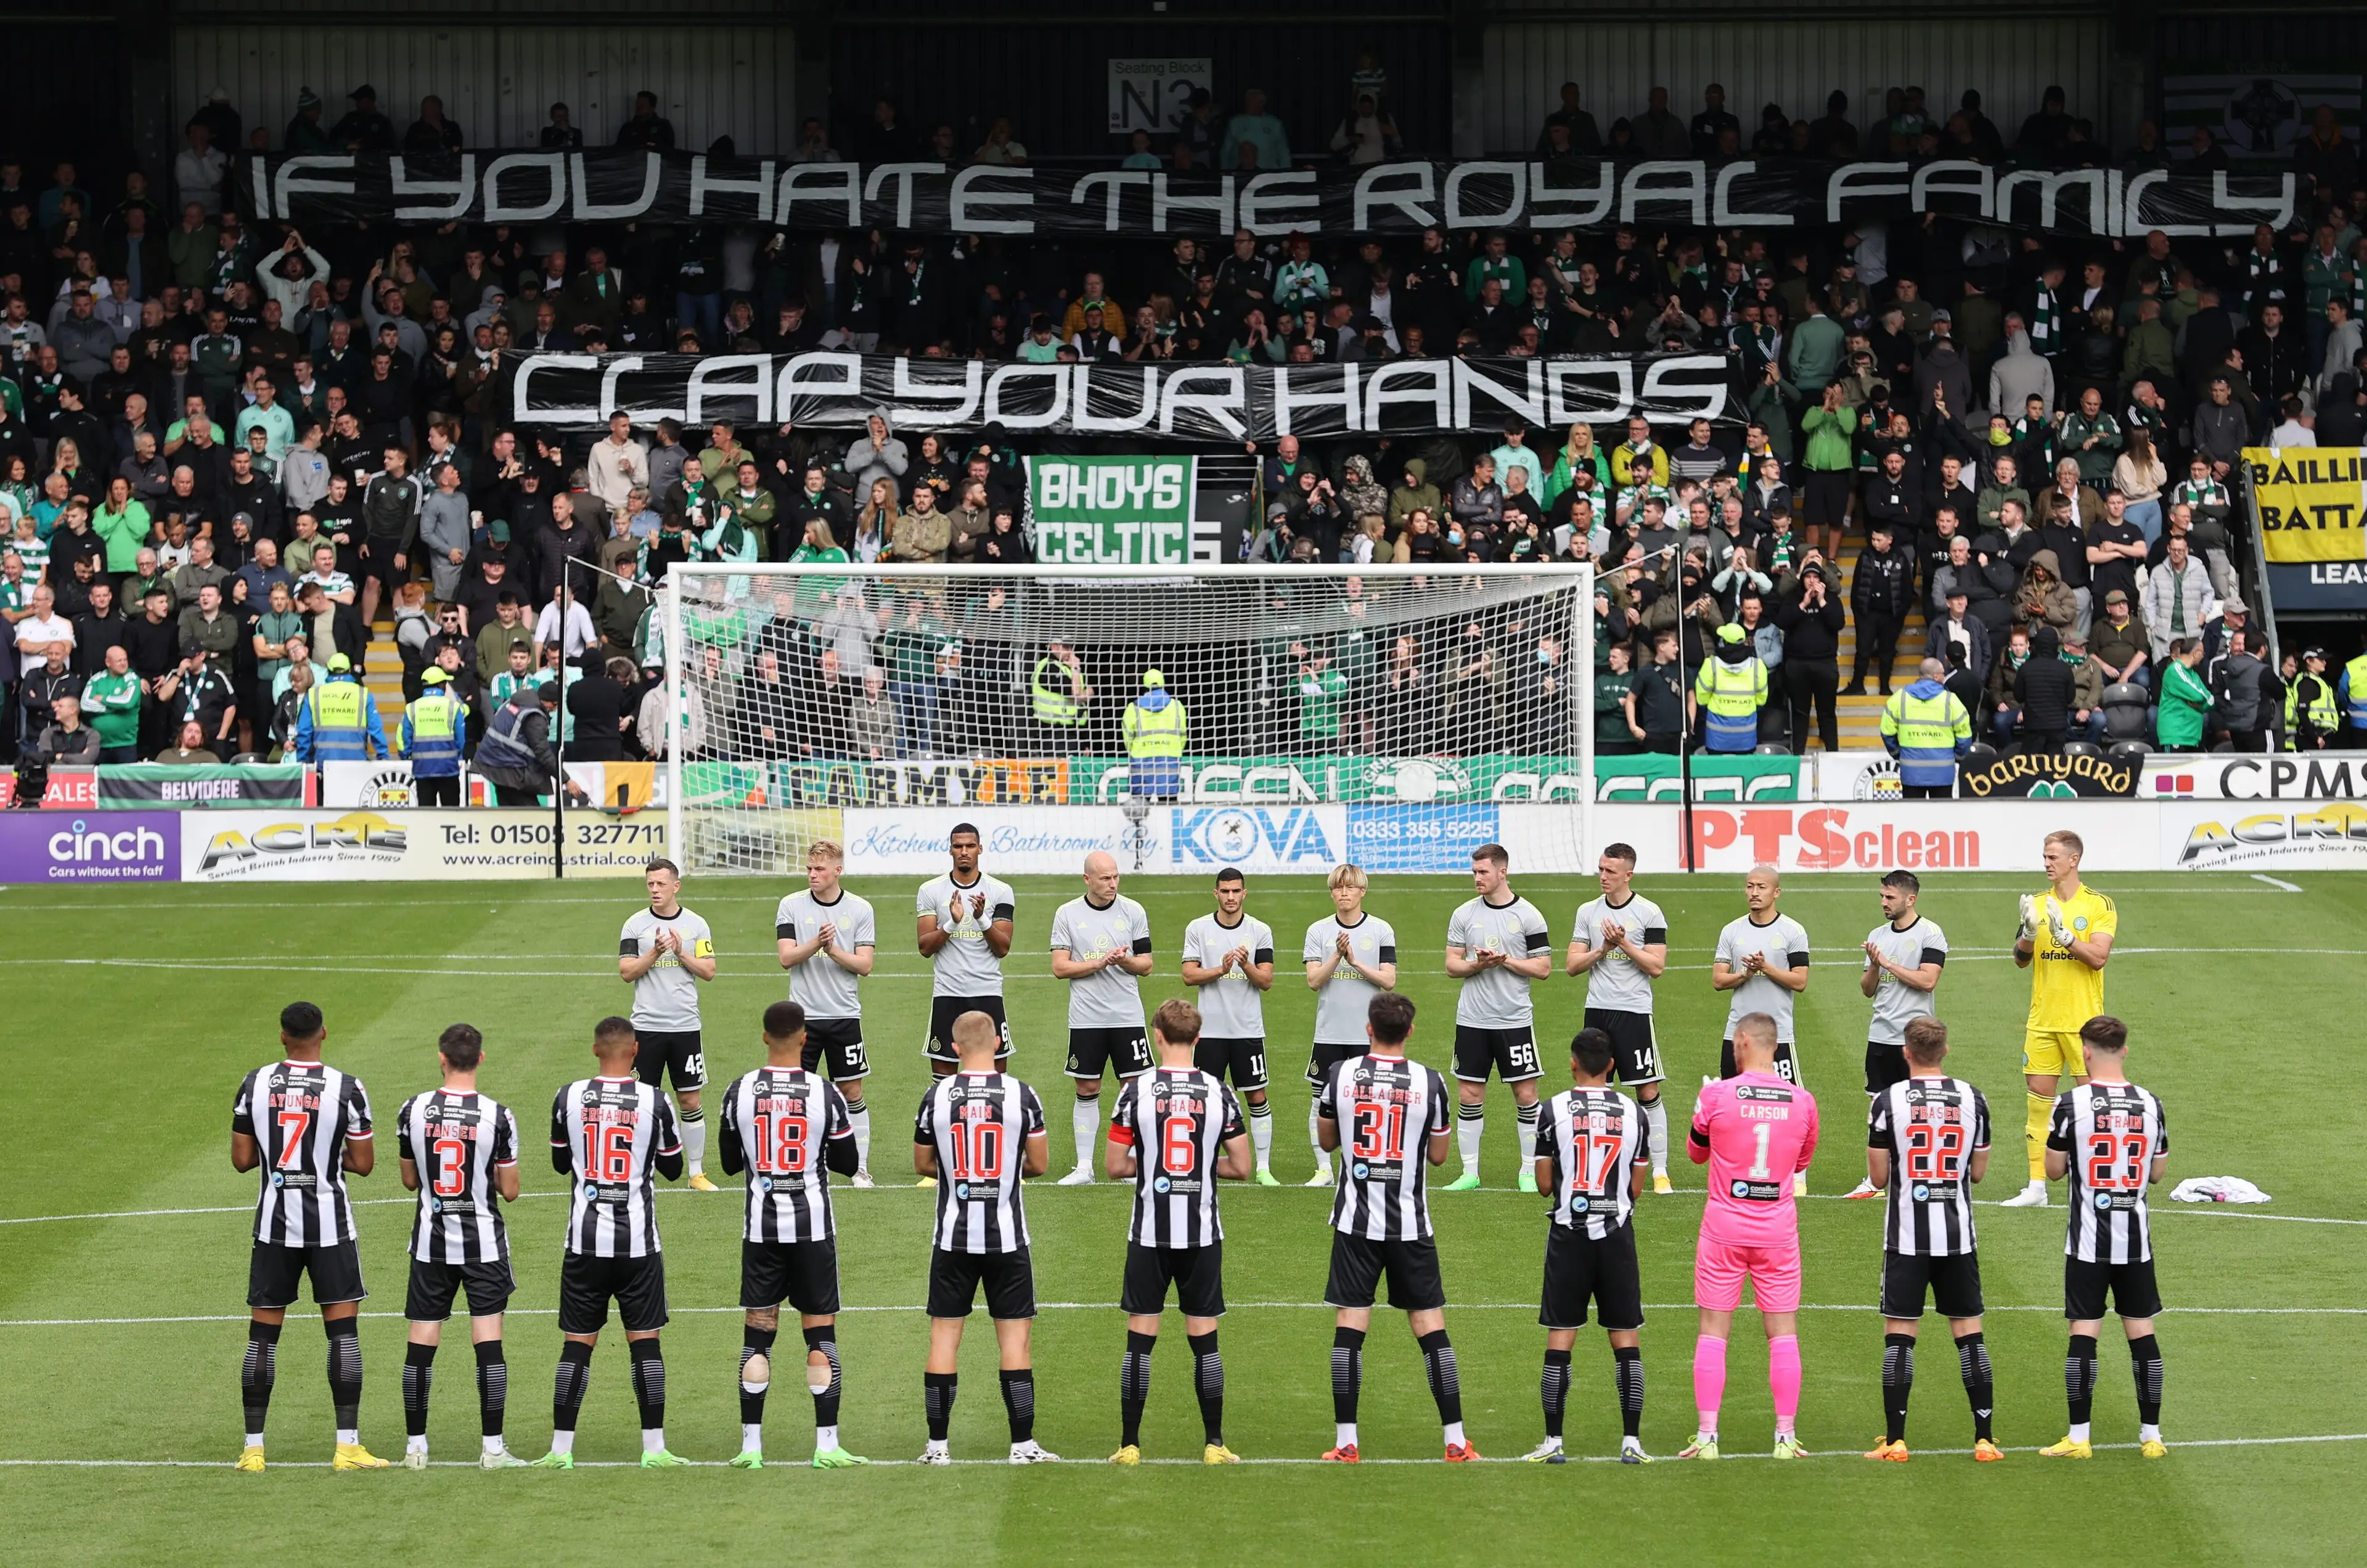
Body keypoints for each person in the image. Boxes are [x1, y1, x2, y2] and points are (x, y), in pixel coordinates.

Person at [230, 1000, 382, 1471]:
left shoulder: (254, 1084)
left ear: (282, 1037)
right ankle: (347, 1447)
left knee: (262, 1337)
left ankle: (253, 1449)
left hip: (274, 1226)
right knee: (343, 1335)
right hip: (330, 1227)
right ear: (324, 1033)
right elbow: (364, 1163)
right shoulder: (347, 1088)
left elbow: (241, 1159)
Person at [1315, 994, 1468, 1463]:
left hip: (1354, 1222)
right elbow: (1440, 1157)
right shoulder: (1432, 1082)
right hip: (1410, 1224)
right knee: (1430, 1327)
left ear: (1368, 1029)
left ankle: (1346, 1443)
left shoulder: (1340, 1075)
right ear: (1410, 1032)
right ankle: (1456, 1442)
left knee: (1350, 1326)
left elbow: (1326, 1139)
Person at [716, 999, 866, 1471]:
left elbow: (726, 1162)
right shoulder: (824, 1093)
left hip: (761, 1232)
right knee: (820, 1337)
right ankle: (826, 1445)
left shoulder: (739, 1090)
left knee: (758, 1338)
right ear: (804, 1039)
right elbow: (846, 1163)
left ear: (765, 1037)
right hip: (812, 1231)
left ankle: (751, 1447)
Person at [1104, 997, 1253, 1465]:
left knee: (1140, 1340)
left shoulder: (1135, 1091)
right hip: (1202, 1233)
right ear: (1199, 1039)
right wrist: (1205, 1168)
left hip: (1149, 1232)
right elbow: (1243, 1166)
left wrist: (1152, 1167)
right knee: (1204, 1339)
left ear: (1158, 1037)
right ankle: (1214, 1443)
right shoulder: (1220, 1091)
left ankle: (1129, 1445)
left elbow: (1113, 1166)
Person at [533, 1016, 686, 1468]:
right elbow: (676, 1170)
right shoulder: (656, 1101)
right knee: (646, 1344)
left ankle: (560, 1451)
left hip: (584, 1242)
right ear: (636, 1050)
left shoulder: (569, 1096)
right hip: (638, 1244)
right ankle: (654, 1449)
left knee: (576, 1345)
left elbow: (562, 1163)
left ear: (596, 1050)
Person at [912, 1009, 1057, 1464]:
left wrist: (960, 1174)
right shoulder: (1022, 1094)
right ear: (998, 1043)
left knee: (943, 1339)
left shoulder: (935, 1097)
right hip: (1007, 1238)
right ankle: (1022, 1446)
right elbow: (1039, 1164)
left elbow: (922, 1163)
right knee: (1015, 1341)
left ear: (955, 1049)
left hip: (952, 1238)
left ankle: (937, 1447)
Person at [1680, 1013, 1820, 1462]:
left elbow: (1695, 1154)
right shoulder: (1803, 1102)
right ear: (1774, 1047)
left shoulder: (1717, 1094)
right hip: (1777, 1230)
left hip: (1724, 1227)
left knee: (1714, 1331)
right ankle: (1784, 1436)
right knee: (1782, 1333)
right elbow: (1800, 1163)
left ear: (1742, 1042)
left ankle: (1707, 1437)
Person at [1863, 1018, 2000, 1462]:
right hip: (1958, 1236)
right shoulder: (1973, 1099)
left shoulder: (1887, 1102)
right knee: (1969, 1334)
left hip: (1906, 1237)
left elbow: (1879, 1177)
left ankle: (1896, 1440)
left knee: (1900, 1335)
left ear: (1906, 1053)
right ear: (1946, 1051)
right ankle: (1984, 1439)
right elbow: (1977, 1173)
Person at [391, 1022, 527, 1469]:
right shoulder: (497, 1115)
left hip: (432, 1244)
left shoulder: (413, 1110)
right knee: (487, 1340)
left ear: (441, 1058)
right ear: (481, 1059)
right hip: (483, 1245)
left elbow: (410, 1179)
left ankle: (416, 1449)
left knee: (421, 1342)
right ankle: (492, 1449)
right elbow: (510, 1190)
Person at [2039, 1015, 2170, 1460]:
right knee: (2142, 1334)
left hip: (2088, 1242)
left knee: (2084, 1333)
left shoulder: (2071, 1104)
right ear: (2125, 1050)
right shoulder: (2151, 1103)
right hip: (2136, 1242)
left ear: (2087, 1052)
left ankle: (2079, 1438)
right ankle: (2151, 1437)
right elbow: (2156, 1172)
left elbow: (2054, 1171)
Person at [1524, 1026, 1653, 1465]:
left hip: (1569, 1236)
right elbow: (1636, 1185)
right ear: (1613, 1066)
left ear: (1573, 1063)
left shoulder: (1552, 1109)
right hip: (1617, 1237)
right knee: (1626, 1338)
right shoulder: (1636, 1113)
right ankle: (1632, 1441)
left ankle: (1554, 1441)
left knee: (1561, 1337)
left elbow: (1543, 1184)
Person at [2003, 830, 2117, 1208]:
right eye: (2044, 856)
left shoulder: (2099, 905)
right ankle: (2037, 1187)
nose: (2047, 863)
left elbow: (2098, 957)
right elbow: (2020, 960)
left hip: (2085, 1024)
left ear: (2074, 860)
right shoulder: (2035, 903)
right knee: (2038, 1105)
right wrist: (2030, 935)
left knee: (2094, 1106)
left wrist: (2067, 938)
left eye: (2053, 857)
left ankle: (2093, 1183)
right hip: (2043, 1021)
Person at [1442, 843, 1554, 1192]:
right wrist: (1478, 965)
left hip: (1514, 1020)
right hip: (1472, 1020)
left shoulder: (1529, 916)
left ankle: (1526, 1172)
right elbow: (1451, 965)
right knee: (1470, 1093)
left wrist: (1505, 960)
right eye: (1474, 872)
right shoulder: (1463, 914)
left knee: (1525, 1094)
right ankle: (1470, 1173)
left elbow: (1544, 968)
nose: (1477, 878)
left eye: (1483, 872)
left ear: (1502, 872)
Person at [1565, 843, 1672, 1194]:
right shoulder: (1587, 912)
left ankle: (1660, 1172)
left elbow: (1657, 967)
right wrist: (1604, 949)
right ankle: (1600, 1165)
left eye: (1610, 871)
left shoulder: (1649, 913)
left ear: (1629, 874)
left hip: (1635, 1013)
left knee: (1648, 1090)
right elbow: (1571, 967)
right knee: (1596, 1093)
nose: (1603, 877)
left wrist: (1624, 944)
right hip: (1597, 1013)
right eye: (1600, 869)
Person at [774, 839, 878, 1185]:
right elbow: (787, 958)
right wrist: (818, 944)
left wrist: (831, 949)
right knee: (796, 1094)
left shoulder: (861, 909)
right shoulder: (790, 905)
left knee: (851, 1093)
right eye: (809, 869)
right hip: (801, 1020)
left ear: (838, 870)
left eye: (820, 869)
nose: (813, 875)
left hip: (844, 1016)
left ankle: (859, 1167)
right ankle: (797, 1165)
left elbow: (864, 965)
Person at [1048, 851, 1155, 1183]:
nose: (1113, 884)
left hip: (1127, 1016)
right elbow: (1060, 967)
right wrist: (1099, 963)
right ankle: (1084, 1167)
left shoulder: (1133, 911)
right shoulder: (1067, 914)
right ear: (1087, 880)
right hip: (1086, 1018)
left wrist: (1123, 961)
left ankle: (1130, 1165)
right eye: (1105, 878)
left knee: (1132, 1089)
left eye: (1115, 876)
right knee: (1087, 1086)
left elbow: (1147, 964)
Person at [1843, 871, 1950, 1201]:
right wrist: (1875, 965)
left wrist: (1887, 963)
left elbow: (1928, 981)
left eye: (1890, 897)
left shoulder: (1930, 934)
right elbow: (1867, 989)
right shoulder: (1877, 935)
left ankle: (1923, 1175)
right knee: (1880, 1111)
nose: (1884, 903)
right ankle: (1878, 1182)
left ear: (1910, 899)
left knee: (1919, 1110)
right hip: (1880, 1036)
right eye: (1882, 896)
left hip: (1915, 1039)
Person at [618, 859, 719, 1191]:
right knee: (642, 1102)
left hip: (685, 1027)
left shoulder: (697, 925)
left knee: (690, 1100)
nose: (655, 890)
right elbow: (627, 972)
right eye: (650, 884)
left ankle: (696, 1173)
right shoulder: (635, 925)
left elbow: (708, 971)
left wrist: (679, 951)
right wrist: (654, 953)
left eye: (661, 884)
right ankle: (640, 1173)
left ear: (676, 886)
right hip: (645, 1028)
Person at [1180, 867, 1281, 1185]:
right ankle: (1204, 1161)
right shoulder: (1197, 928)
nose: (1231, 897)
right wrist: (1221, 969)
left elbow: (1266, 981)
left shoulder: (1259, 930)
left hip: (1248, 1031)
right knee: (1205, 1098)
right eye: (1225, 891)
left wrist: (1244, 964)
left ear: (1244, 893)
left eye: (1236, 891)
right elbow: (1189, 975)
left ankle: (1263, 1168)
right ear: (1216, 894)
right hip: (1208, 1032)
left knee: (1257, 1097)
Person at [1301, 862, 1399, 1188]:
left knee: (1367, 1101)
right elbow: (1314, 981)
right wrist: (1338, 958)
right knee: (1321, 1100)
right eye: (1337, 888)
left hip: (1367, 1034)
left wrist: (1356, 961)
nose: (1343, 893)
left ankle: (1360, 1164)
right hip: (1329, 1032)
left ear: (1362, 891)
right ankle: (1324, 1169)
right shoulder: (1318, 931)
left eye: (1349, 887)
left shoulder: (1381, 929)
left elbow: (1389, 980)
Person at [915, 823, 1018, 1085]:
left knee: (996, 1081)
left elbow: (1003, 948)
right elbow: (925, 947)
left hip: (988, 993)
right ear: (950, 849)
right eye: (958, 846)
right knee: (942, 1083)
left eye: (970, 846)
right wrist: (952, 923)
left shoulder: (1000, 890)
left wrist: (982, 917)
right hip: (948, 994)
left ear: (980, 849)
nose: (964, 852)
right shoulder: (931, 890)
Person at [1711, 865, 1813, 1113]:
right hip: (1737, 1034)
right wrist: (1745, 974)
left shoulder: (1793, 931)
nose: (1754, 892)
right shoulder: (1731, 931)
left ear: (1776, 892)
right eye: (1750, 886)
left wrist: (1765, 968)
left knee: (1789, 1106)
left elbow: (1800, 982)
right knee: (1733, 1106)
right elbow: (1718, 980)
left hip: (1778, 1036)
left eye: (1761, 887)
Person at [1880, 657, 1974, 798]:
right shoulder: (1950, 700)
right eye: (1943, 673)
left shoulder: (1900, 698)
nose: (1944, 676)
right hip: (1943, 772)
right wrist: (1957, 757)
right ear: (1936, 677)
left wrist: (1898, 754)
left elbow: (1887, 733)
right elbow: (1965, 736)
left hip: (1911, 772)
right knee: (1941, 817)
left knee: (1912, 818)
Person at [470, 680, 558, 805]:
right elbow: (543, 752)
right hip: (510, 769)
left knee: (508, 813)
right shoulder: (534, 717)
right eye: (554, 704)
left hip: (497, 764)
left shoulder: (518, 703)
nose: (555, 709)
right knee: (532, 817)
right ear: (544, 700)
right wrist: (565, 779)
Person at [292, 651, 384, 764]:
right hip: (357, 763)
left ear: (328, 671)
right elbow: (376, 729)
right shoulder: (363, 694)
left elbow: (304, 732)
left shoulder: (314, 695)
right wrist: (383, 756)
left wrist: (303, 761)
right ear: (349, 671)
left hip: (324, 764)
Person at [398, 666, 467, 806]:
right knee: (451, 816)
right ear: (441, 685)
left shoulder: (412, 707)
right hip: (448, 769)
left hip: (422, 769)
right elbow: (461, 740)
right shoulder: (453, 707)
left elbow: (406, 739)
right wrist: (454, 755)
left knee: (426, 816)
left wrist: (409, 755)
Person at [1120, 668, 1187, 800]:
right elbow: (1183, 735)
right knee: (1168, 802)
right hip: (1169, 758)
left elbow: (1127, 737)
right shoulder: (1177, 706)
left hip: (1141, 759)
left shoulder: (1133, 708)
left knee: (1140, 803)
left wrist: (1134, 750)